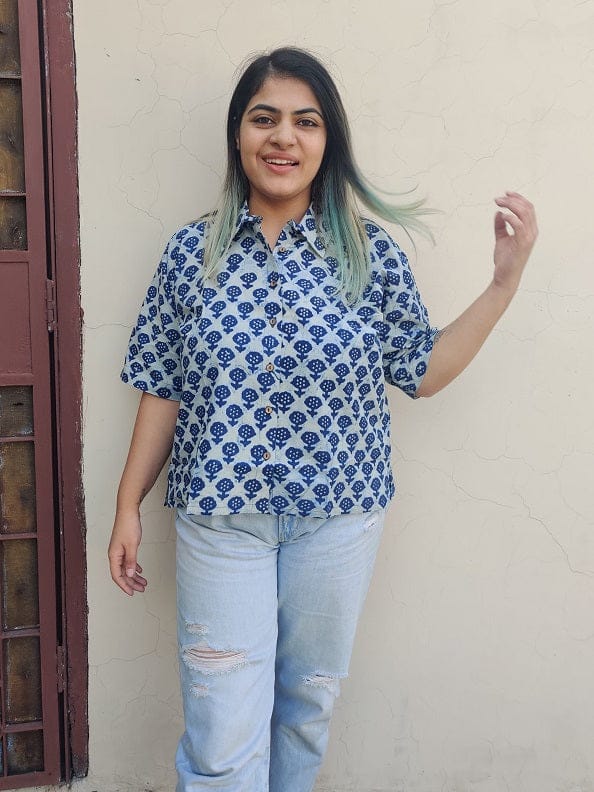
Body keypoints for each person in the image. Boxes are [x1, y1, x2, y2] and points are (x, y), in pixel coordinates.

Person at [108, 46, 537, 792]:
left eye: (305, 122)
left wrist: (503, 283)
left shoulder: (369, 255)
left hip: (338, 523)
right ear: (238, 134)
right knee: (221, 733)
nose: (284, 137)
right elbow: (162, 387)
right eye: (264, 118)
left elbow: (422, 370)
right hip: (221, 521)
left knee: (305, 712)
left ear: (328, 140)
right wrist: (126, 506)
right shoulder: (190, 255)